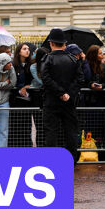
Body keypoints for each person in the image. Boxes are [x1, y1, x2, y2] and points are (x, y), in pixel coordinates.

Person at [39, 29, 82, 161]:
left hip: (51, 100)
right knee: (70, 131)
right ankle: (72, 159)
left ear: (51, 43)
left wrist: (60, 92)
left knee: (51, 131)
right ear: (64, 43)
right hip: (69, 101)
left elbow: (45, 78)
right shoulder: (73, 59)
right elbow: (80, 79)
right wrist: (68, 93)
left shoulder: (47, 59)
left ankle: (52, 160)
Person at [9, 43, 37, 148]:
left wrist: (29, 86)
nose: (27, 51)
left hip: (28, 100)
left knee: (27, 125)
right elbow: (11, 81)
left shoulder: (31, 65)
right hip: (16, 99)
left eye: (28, 49)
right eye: (24, 49)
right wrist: (21, 88)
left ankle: (26, 147)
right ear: (19, 51)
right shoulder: (13, 65)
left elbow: (33, 80)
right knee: (15, 125)